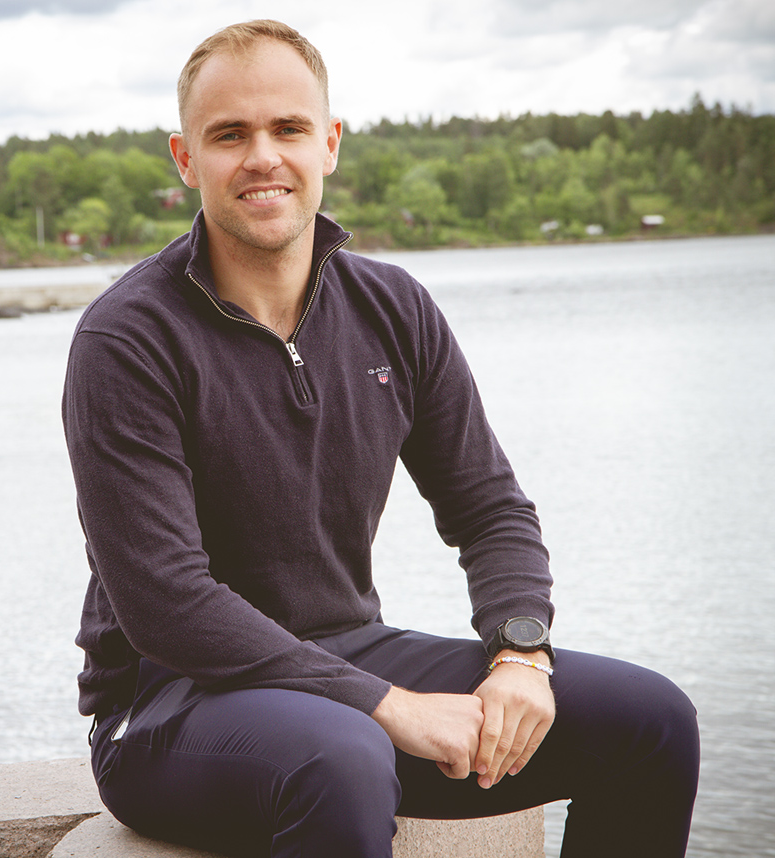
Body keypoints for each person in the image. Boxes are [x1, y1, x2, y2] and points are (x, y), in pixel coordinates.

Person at [61, 19, 699, 858]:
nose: (263, 157)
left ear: (327, 144)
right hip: (170, 705)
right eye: (230, 135)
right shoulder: (127, 339)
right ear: (186, 159)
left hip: (348, 656)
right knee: (346, 753)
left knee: (652, 721)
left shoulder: (394, 309)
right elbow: (166, 604)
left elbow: (490, 507)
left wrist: (519, 651)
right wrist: (387, 703)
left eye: (288, 129)